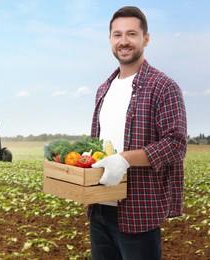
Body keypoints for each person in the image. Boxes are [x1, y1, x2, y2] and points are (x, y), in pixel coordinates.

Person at [89, 6, 187, 260]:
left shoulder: (163, 86)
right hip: (100, 207)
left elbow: (176, 145)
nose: (124, 42)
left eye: (131, 34)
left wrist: (125, 159)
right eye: (117, 35)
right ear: (110, 39)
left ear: (146, 38)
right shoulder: (104, 89)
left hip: (138, 211)